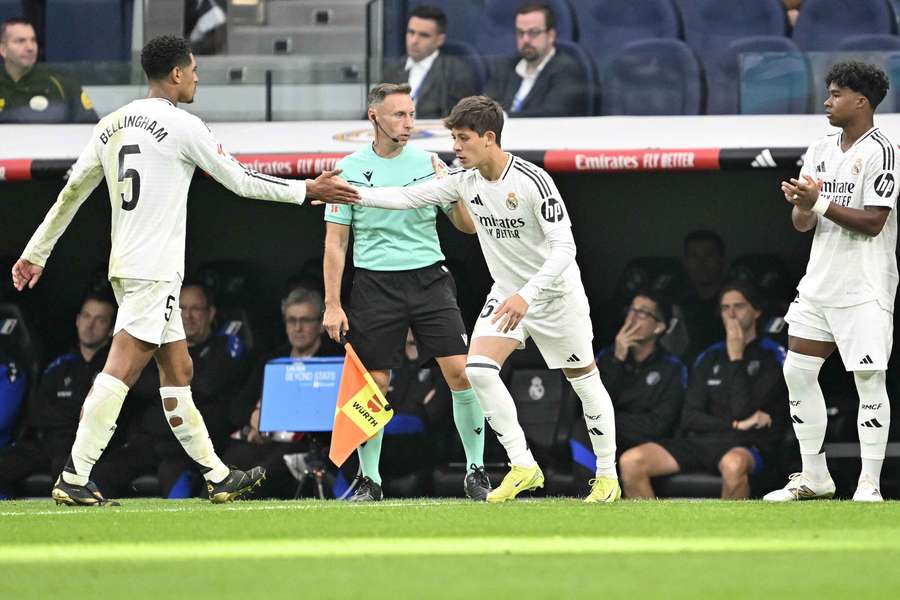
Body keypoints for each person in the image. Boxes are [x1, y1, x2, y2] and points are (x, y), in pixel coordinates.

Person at [9, 34, 358, 507]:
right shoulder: (181, 125)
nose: (197, 77)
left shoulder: (110, 125)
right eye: (193, 69)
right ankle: (76, 473)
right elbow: (241, 179)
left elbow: (70, 193)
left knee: (179, 369)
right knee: (121, 369)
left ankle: (216, 475)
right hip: (153, 268)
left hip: (129, 265)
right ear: (176, 74)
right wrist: (306, 191)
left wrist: (36, 252)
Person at [351, 95, 620, 503]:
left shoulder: (534, 181)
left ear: (489, 138)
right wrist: (350, 194)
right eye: (454, 138)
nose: (455, 148)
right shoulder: (464, 181)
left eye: (462, 138)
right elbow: (408, 198)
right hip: (507, 294)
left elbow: (565, 249)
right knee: (477, 370)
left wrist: (528, 296)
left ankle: (607, 477)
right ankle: (523, 465)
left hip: (553, 294)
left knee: (583, 379)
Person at [323, 82, 490, 502]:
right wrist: (332, 304)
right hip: (375, 283)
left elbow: (466, 226)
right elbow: (335, 242)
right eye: (399, 114)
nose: (408, 123)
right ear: (374, 117)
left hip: (429, 279)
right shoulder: (347, 169)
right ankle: (370, 479)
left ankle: (476, 470)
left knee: (461, 372)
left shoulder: (430, 162)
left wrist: (452, 189)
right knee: (374, 382)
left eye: (412, 114)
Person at [767, 62, 897, 503]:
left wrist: (818, 202)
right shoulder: (820, 146)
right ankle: (814, 475)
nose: (827, 101)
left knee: (868, 381)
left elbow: (874, 223)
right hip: (819, 282)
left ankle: (869, 484)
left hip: (864, 285)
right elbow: (802, 224)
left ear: (861, 101)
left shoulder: (885, 151)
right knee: (797, 372)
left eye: (837, 93)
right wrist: (803, 205)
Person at [619, 282, 787, 500]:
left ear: (756, 311)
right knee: (631, 462)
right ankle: (656, 533)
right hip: (702, 442)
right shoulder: (708, 356)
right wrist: (733, 425)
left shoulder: (773, 355)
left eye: (739, 306)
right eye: (725, 308)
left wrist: (736, 357)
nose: (732, 314)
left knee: (734, 465)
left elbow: (742, 410)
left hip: (747, 444)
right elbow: (690, 417)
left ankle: (730, 534)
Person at [91, 281, 250, 498]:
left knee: (174, 479)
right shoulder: (159, 347)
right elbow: (139, 385)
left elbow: (205, 385)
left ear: (211, 313)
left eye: (196, 308)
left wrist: (164, 379)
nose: (188, 315)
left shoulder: (227, 345)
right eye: (181, 308)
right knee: (105, 472)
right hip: (152, 439)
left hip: (191, 446)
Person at [0, 291, 122, 497]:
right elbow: (37, 413)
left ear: (111, 329)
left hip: (82, 447)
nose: (89, 325)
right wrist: (75, 411)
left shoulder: (115, 369)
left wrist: (68, 413)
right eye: (86, 316)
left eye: (100, 320)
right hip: (46, 442)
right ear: (77, 320)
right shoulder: (59, 365)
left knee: (67, 471)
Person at [225, 286, 343, 499]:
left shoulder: (334, 361)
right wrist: (253, 417)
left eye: (306, 320)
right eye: (291, 320)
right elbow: (237, 407)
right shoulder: (271, 361)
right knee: (228, 465)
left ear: (320, 325)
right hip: (262, 442)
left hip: (307, 446)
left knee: (259, 475)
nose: (298, 328)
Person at [586, 291, 686, 456]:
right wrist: (617, 361)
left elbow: (660, 424)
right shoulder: (607, 358)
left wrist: (611, 421)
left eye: (642, 313)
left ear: (659, 327)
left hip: (647, 447)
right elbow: (593, 409)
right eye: (631, 310)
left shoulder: (672, 368)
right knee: (582, 431)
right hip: (606, 442)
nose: (632, 317)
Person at [483, 3, 587, 118]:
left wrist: (502, 118)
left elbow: (552, 114)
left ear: (551, 35)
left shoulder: (567, 70)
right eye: (520, 33)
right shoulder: (506, 67)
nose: (525, 39)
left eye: (533, 32)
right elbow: (484, 107)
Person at [383, 5, 478, 119]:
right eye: (411, 32)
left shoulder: (456, 72)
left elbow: (461, 119)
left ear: (440, 40)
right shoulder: (392, 70)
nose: (414, 41)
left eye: (424, 35)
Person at [0, 18, 98, 123]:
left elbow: (90, 130)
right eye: (20, 41)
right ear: (3, 49)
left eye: (33, 40)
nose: (30, 47)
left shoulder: (63, 84)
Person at [679, 230, 727, 360]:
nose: (701, 263)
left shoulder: (736, 303)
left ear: (721, 259)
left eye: (709, 255)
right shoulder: (680, 306)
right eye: (694, 256)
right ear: (685, 262)